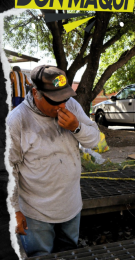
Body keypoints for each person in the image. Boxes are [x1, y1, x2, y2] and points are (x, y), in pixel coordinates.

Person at [7, 65, 100, 257]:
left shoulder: (72, 106)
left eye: (65, 98)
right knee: (41, 255)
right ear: (36, 93)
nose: (62, 106)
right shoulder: (17, 120)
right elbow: (9, 169)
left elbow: (95, 139)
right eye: (55, 101)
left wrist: (77, 127)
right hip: (36, 214)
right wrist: (15, 210)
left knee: (69, 253)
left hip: (71, 206)